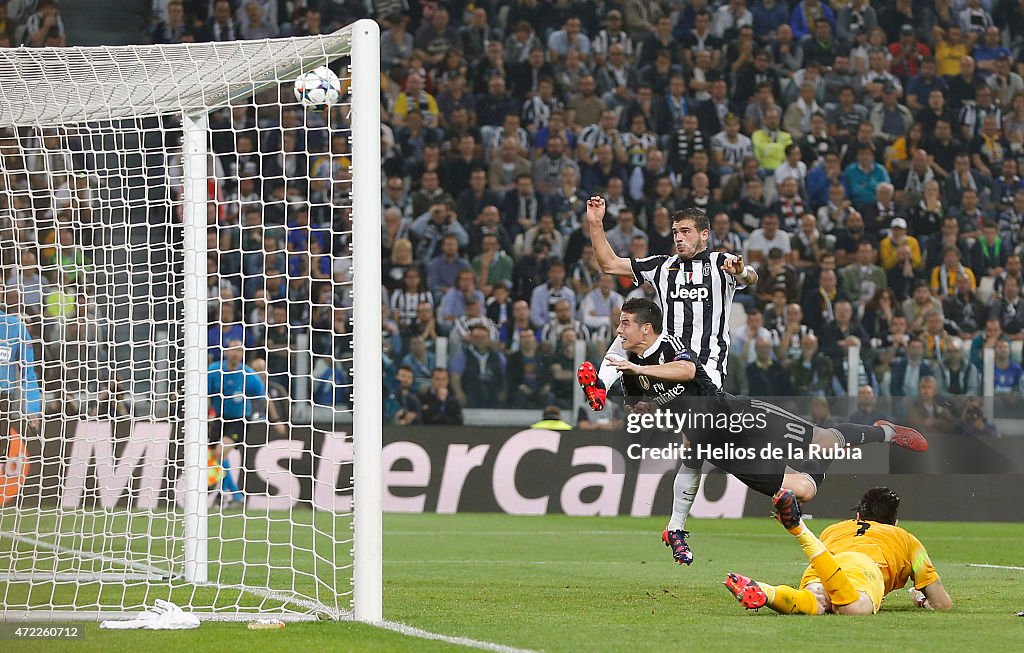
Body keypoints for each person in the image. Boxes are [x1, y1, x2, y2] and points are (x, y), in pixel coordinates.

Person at [601, 298, 927, 566]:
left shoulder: (668, 345)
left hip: (742, 416)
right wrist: (639, 403)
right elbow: (639, 405)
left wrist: (639, 368)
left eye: (625, 323)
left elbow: (686, 371)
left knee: (823, 439)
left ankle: (883, 433)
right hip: (723, 449)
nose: (619, 330)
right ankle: (675, 529)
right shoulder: (630, 367)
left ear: (646, 328)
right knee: (805, 489)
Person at [579, 196, 757, 412]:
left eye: (685, 231)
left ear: (704, 234)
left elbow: (751, 278)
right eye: (675, 232)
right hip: (666, 362)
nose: (678, 238)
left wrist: (742, 272)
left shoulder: (721, 263)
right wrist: (596, 223)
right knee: (628, 330)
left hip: (705, 369)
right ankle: (600, 387)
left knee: (691, 436)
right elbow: (610, 264)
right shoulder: (663, 266)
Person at [725, 487, 952, 615]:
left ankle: (766, 591)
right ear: (895, 522)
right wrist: (920, 600)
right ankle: (800, 530)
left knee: (815, 600)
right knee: (852, 608)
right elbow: (943, 603)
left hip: (825, 566)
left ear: (857, 517)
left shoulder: (834, 529)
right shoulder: (907, 540)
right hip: (864, 569)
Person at [207, 340, 275, 508]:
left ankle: (234, 495)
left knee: (220, 451)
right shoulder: (214, 370)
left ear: (243, 355)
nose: (236, 353)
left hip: (239, 420)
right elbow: (206, 395)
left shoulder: (248, 374)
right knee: (217, 456)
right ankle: (230, 495)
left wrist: (276, 420)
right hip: (219, 418)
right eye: (233, 350)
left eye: (239, 351)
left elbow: (263, 396)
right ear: (226, 352)